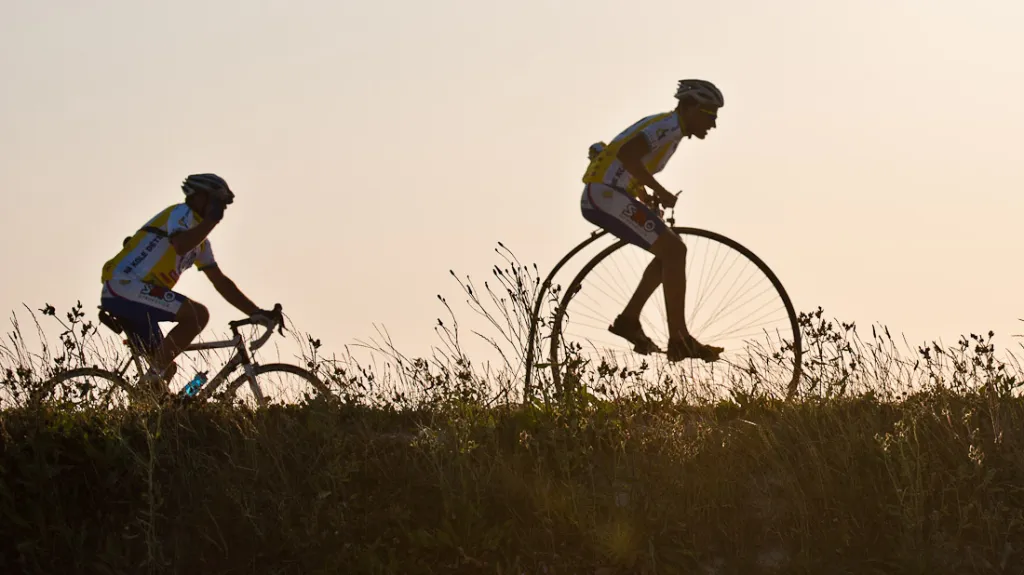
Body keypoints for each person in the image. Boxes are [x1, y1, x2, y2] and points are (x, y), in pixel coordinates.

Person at [580, 79, 725, 362]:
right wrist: (661, 192)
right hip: (605, 196)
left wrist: (644, 196)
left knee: (669, 252)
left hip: (611, 194)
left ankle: (629, 319)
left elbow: (625, 165)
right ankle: (679, 338)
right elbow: (627, 155)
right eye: (709, 114)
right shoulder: (668, 126)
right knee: (675, 251)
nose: (713, 123)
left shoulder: (671, 129)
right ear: (689, 107)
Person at [98, 173, 281, 396]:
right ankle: (152, 378)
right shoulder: (181, 213)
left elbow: (220, 282)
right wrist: (211, 221)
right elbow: (180, 244)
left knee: (167, 369)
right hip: (124, 286)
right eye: (216, 202)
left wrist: (256, 312)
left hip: (135, 295)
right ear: (198, 197)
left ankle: (141, 410)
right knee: (197, 315)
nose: (220, 209)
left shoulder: (201, 243)